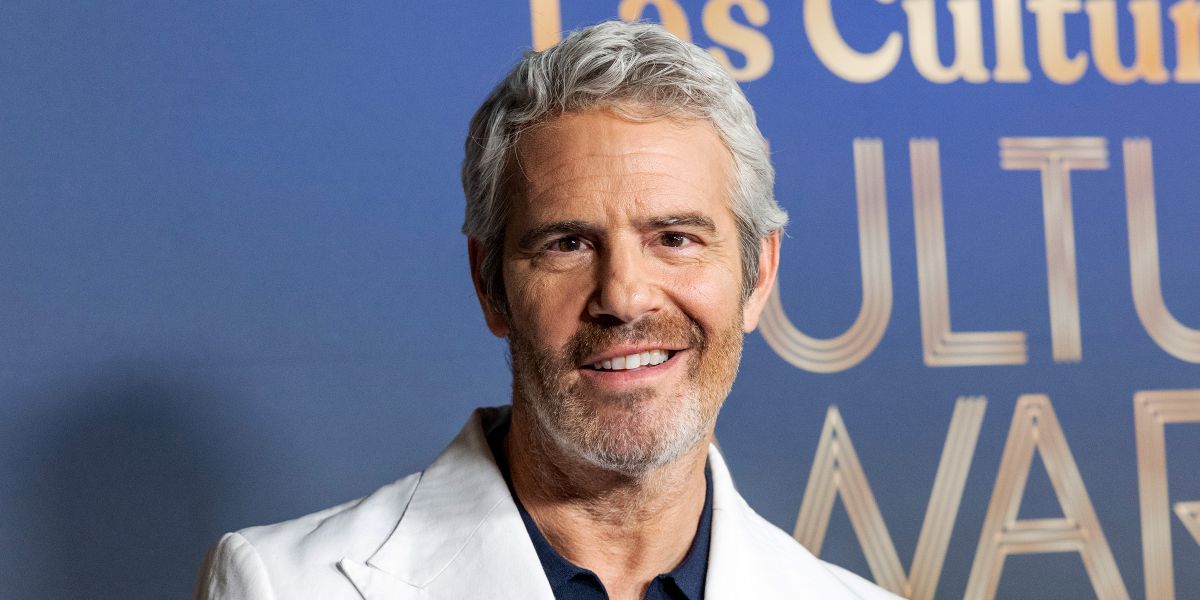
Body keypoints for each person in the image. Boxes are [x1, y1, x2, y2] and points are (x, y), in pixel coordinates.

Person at [194, 20, 899, 600]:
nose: (624, 297)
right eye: (568, 244)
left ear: (759, 273)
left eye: (675, 239)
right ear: (490, 285)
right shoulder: (281, 586)